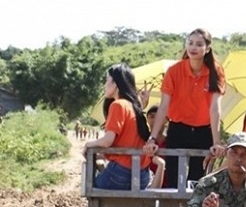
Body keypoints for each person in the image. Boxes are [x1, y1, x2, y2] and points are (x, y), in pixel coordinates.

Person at [143, 28, 226, 187]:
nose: (193, 47)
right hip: (178, 129)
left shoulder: (216, 71)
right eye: (190, 43)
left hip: (204, 131)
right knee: (173, 179)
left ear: (207, 49)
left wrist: (217, 142)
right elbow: (164, 106)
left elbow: (215, 108)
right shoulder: (174, 71)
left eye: (199, 44)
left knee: (197, 181)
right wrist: (152, 138)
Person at [83, 63, 151, 189]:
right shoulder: (135, 107)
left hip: (121, 173)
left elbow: (107, 141)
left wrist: (89, 144)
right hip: (143, 176)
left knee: (90, 185)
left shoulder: (117, 105)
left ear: (115, 84)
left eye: (107, 80)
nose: (104, 85)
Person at [145, 105, 167, 189]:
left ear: (166, 120)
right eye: (151, 116)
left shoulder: (171, 142)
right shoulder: (143, 141)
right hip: (148, 185)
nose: (155, 120)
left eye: (158, 116)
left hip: (169, 185)